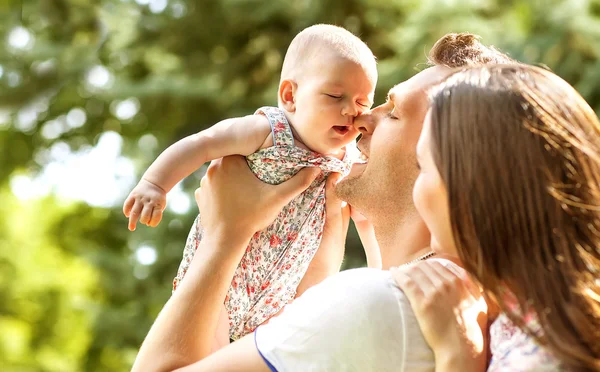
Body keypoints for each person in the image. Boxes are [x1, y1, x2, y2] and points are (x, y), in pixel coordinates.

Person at [132, 33, 514, 372]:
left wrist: (225, 235)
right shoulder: (453, 307)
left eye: (393, 112)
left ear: (445, 162)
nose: (361, 119)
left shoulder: (376, 304)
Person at [123, 24, 380, 343]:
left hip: (279, 302)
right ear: (290, 96)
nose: (349, 111)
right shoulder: (268, 130)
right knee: (209, 353)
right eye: (334, 96)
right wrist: (155, 184)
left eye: (362, 103)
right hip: (220, 285)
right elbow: (204, 143)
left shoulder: (345, 158)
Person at [394, 64, 600, 371]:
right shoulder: (541, 316)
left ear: (472, 187)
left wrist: (457, 354)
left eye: (422, 166)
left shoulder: (543, 359)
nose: (415, 187)